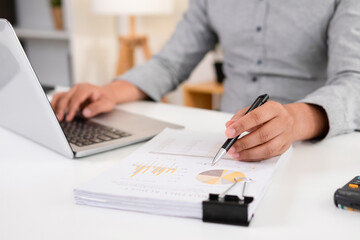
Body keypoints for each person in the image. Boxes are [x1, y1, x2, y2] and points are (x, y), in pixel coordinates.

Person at [51, 0, 360, 161]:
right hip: (226, 141)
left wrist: (294, 120)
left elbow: (353, 80)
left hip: (310, 146)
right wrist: (108, 92)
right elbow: (171, 62)